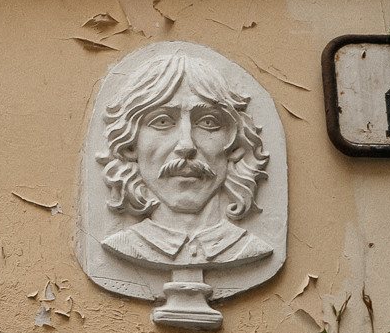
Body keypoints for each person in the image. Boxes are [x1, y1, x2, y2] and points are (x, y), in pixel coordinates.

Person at [96, 51, 273, 272]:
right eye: (162, 121)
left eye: (209, 122)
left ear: (236, 146)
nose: (186, 145)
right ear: (130, 146)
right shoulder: (124, 246)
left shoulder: (247, 248)